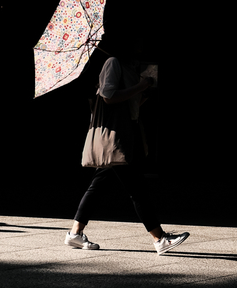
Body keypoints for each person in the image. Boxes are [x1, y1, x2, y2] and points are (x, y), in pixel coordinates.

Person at [65, 54, 190, 255]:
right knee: (136, 188)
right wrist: (141, 85)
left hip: (121, 135)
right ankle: (159, 238)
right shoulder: (113, 62)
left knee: (99, 185)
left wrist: (143, 93)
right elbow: (108, 96)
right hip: (115, 137)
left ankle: (75, 234)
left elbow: (127, 105)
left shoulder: (126, 67)